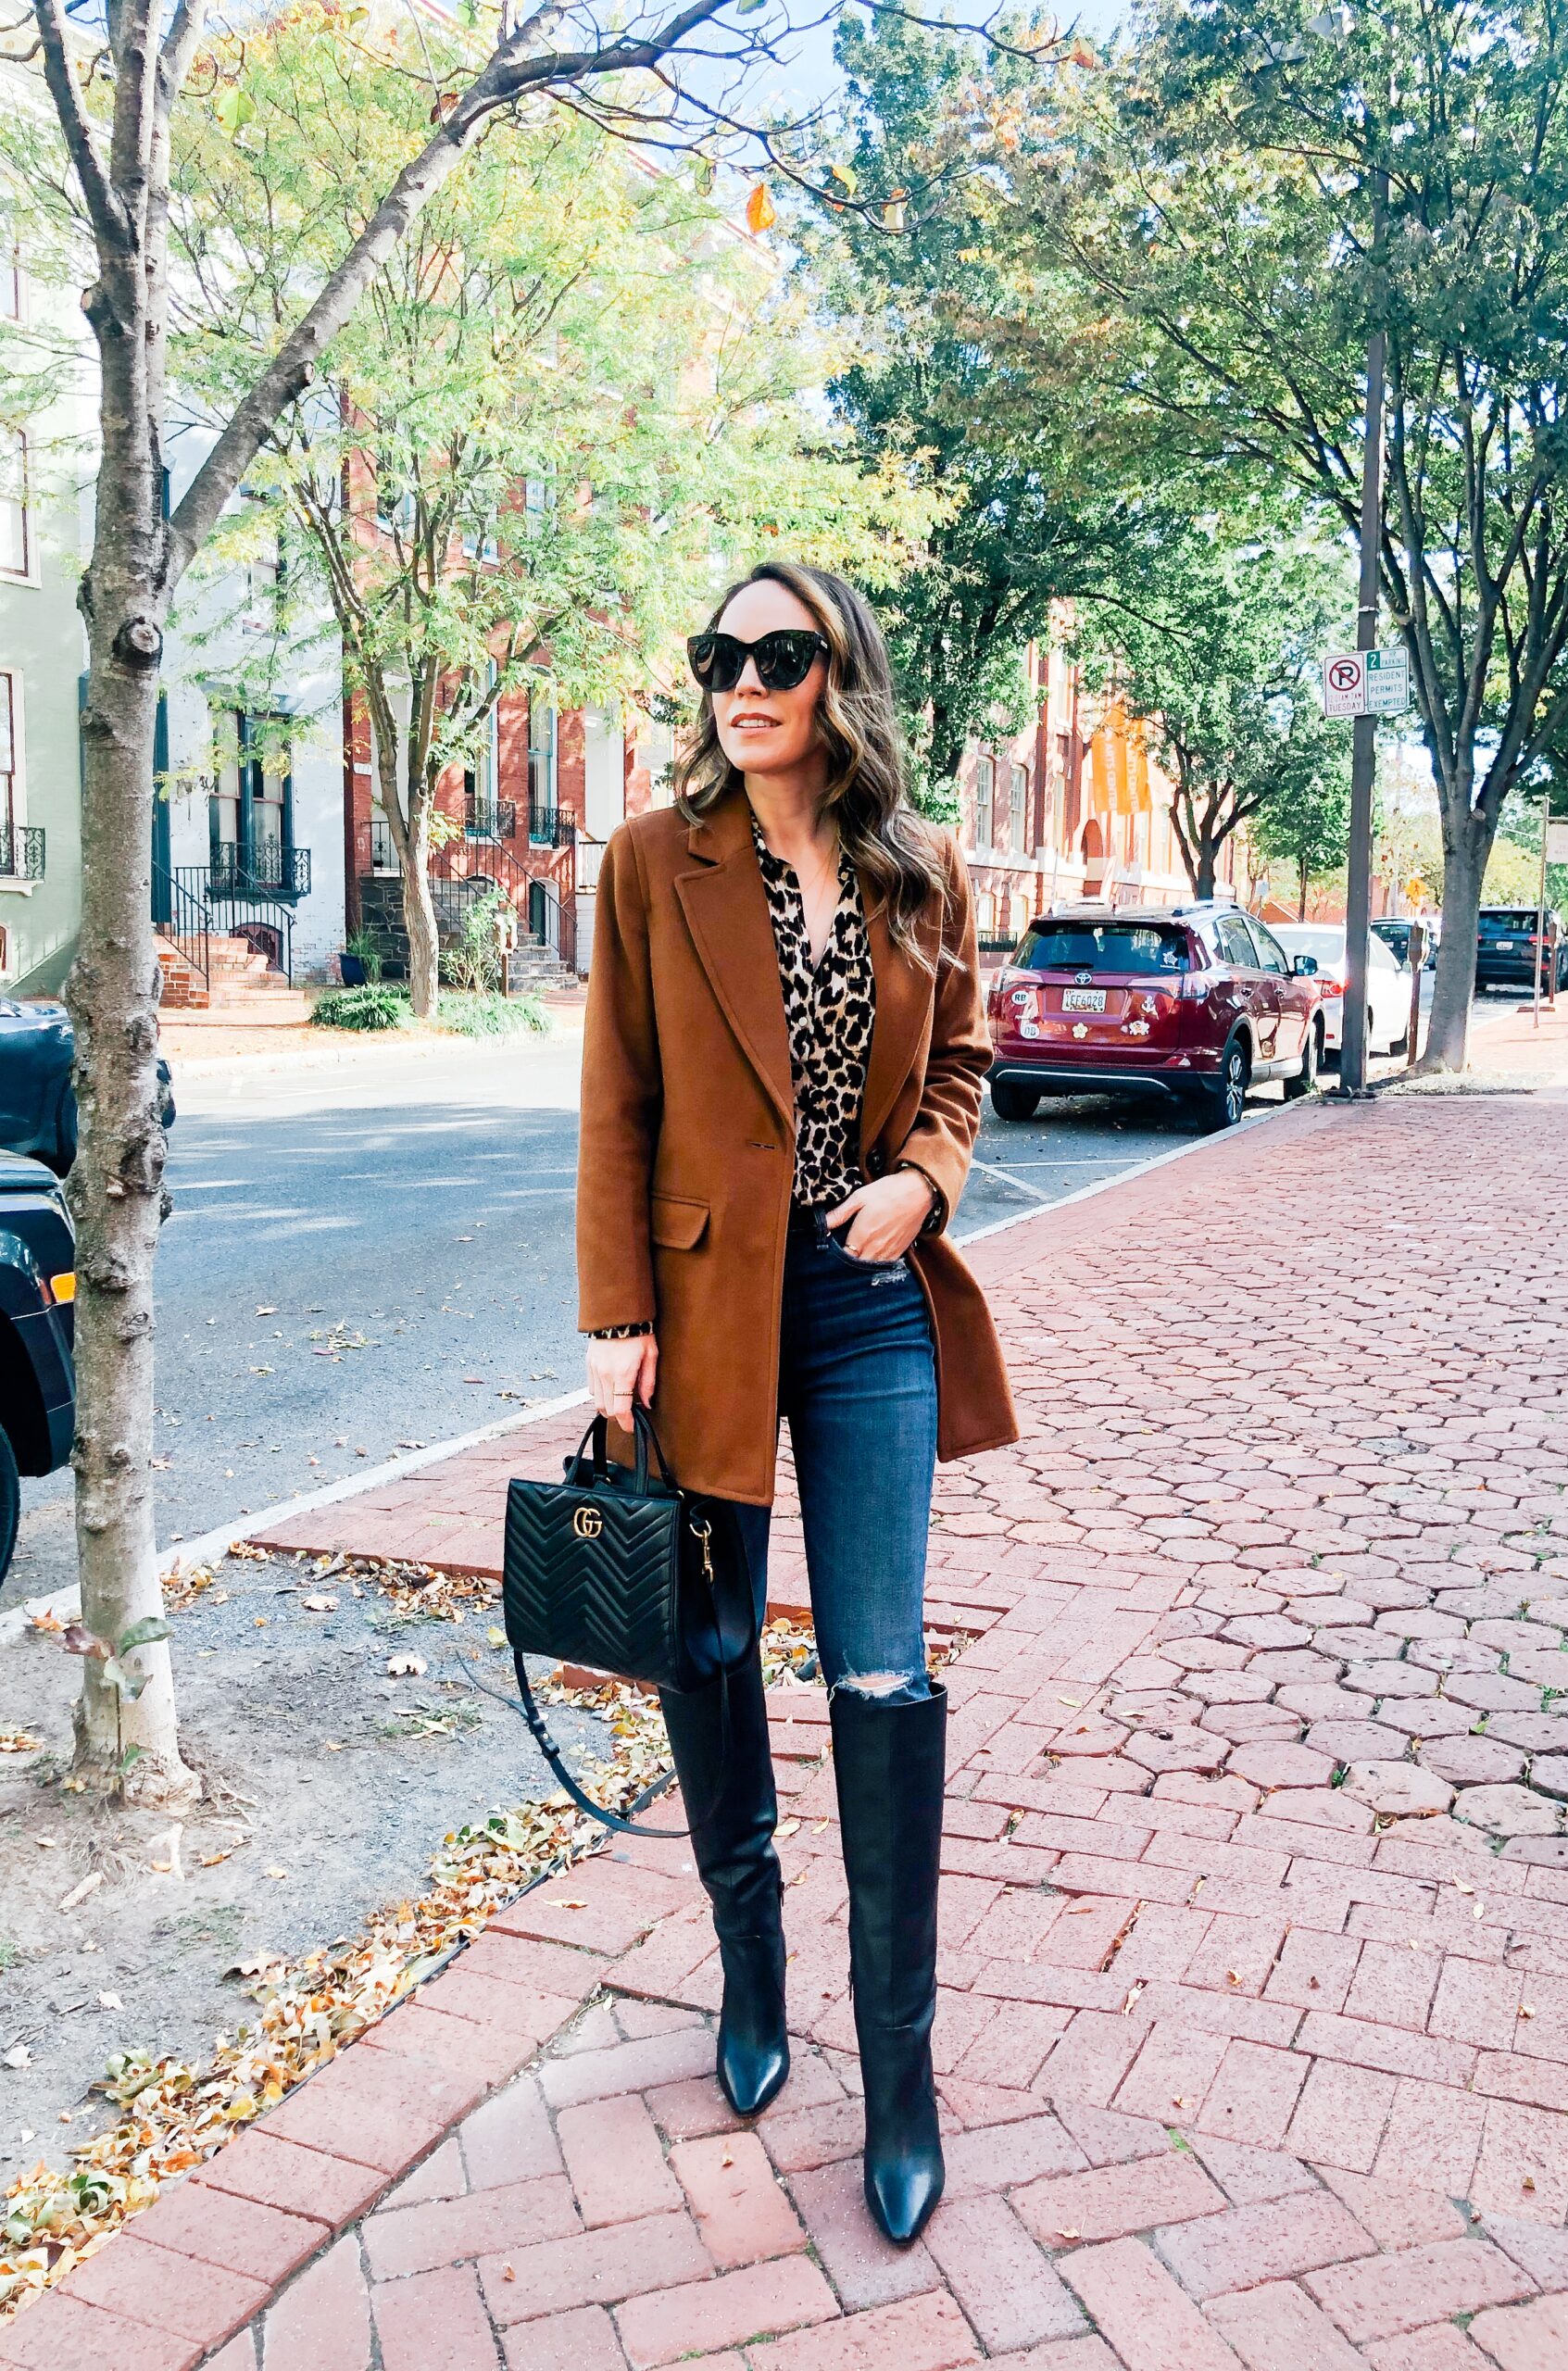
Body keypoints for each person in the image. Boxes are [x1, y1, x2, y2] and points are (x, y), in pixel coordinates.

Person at [577, 561, 1016, 2244]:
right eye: (718, 657)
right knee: (706, 1646)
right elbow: (616, 1097)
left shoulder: (921, 870)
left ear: (841, 678)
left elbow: (965, 1062)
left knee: (881, 1666)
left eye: (778, 655)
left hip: (861, 1304)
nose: (741, 682)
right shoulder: (649, 861)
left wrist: (924, 1175)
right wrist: (616, 1312)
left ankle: (896, 2076)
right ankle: (749, 1980)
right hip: (698, 1311)